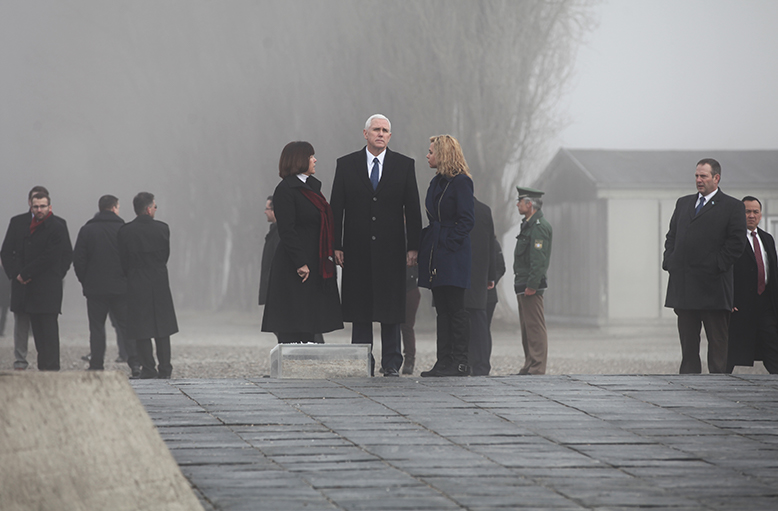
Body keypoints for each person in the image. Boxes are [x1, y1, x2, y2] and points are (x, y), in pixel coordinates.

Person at [330, 114, 422, 377]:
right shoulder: (346, 165)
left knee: (391, 308)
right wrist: (336, 244)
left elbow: (413, 209)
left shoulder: (404, 165)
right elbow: (337, 209)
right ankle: (362, 360)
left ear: (390, 136)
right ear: (365, 133)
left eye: (385, 130)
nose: (380, 134)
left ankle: (391, 362)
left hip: (392, 251)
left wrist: (413, 246)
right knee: (360, 309)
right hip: (356, 250)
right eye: (376, 130)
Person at [663, 158, 746, 374]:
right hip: (684, 287)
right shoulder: (683, 203)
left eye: (703, 176)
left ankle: (718, 387)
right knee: (688, 347)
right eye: (697, 176)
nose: (699, 180)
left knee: (717, 346)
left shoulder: (732, 206)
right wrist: (670, 261)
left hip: (714, 289)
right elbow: (672, 236)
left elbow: (737, 243)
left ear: (716, 178)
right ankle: (689, 386)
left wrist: (715, 265)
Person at [262, 141, 343, 343]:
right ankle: (291, 367)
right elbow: (287, 230)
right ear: (299, 160)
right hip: (295, 265)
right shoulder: (286, 190)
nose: (315, 160)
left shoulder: (313, 188)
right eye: (311, 156)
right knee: (294, 319)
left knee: (310, 319)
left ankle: (308, 365)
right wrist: (300, 263)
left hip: (315, 260)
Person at [418, 135, 475, 377]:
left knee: (455, 308)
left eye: (431, 151)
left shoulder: (461, 183)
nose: (427, 155)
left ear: (443, 154)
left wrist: (450, 243)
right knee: (441, 308)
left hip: (452, 252)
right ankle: (443, 361)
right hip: (436, 251)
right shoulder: (436, 183)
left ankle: (460, 362)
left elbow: (467, 220)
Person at [1, 186, 70, 369]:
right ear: (30, 205)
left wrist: (55, 275)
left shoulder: (57, 225)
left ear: (49, 206)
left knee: (48, 330)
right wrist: (16, 275)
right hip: (24, 286)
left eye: (42, 206)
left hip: (46, 286)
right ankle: (23, 362)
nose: (39, 209)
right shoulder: (18, 222)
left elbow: (59, 255)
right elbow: (7, 252)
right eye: (36, 206)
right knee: (28, 327)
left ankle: (51, 369)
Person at [73, 195, 139, 375]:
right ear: (115, 208)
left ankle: (96, 363)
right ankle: (134, 364)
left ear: (100, 208)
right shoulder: (124, 229)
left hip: (95, 289)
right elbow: (132, 259)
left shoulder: (87, 230)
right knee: (126, 327)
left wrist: (85, 281)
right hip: (121, 288)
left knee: (96, 327)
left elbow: (78, 260)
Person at [118, 192, 178, 379]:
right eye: (155, 206)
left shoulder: (125, 231)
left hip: (136, 281)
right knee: (162, 328)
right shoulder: (163, 229)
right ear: (149, 208)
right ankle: (165, 368)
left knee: (141, 329)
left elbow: (123, 260)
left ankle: (148, 368)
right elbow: (165, 255)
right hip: (158, 280)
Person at [727, 196, 778, 374]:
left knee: (772, 347)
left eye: (755, 212)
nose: (751, 215)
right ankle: (719, 385)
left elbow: (773, 271)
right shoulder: (731, 239)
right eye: (747, 211)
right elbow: (725, 270)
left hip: (765, 304)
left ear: (761, 215)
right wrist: (728, 299)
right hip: (740, 305)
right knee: (731, 352)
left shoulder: (767, 239)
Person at [514, 187, 552, 375]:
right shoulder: (528, 224)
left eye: (520, 201)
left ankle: (537, 366)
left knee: (535, 326)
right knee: (526, 327)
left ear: (530, 204)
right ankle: (530, 363)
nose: (517, 204)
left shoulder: (539, 227)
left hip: (531, 286)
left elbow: (538, 259)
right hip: (523, 283)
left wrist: (532, 285)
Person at [465, 198, 497, 376]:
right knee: (480, 325)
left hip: (466, 277)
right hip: (480, 280)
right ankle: (481, 365)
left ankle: (468, 363)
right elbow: (491, 248)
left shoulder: (455, 208)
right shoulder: (484, 211)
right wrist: (490, 276)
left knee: (470, 325)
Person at [258, 195, 280, 307]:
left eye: (267, 209)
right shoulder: (274, 232)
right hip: (273, 290)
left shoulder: (279, 234)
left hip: (277, 291)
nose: (265, 212)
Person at [400, 264, 420, 374]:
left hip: (410, 287)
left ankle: (409, 359)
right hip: (395, 286)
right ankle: (391, 359)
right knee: (391, 324)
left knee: (407, 325)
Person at [0, 262, 9, 337]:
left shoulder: (7, 271)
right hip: (4, 296)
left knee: (3, 315)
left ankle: (1, 330)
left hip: (5, 296)